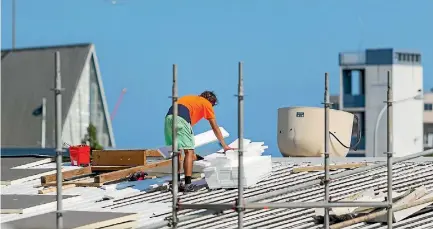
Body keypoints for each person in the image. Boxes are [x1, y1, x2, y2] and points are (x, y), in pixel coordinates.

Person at [164, 91, 234, 192]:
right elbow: (214, 127)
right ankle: (188, 184)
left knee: (176, 152)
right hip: (181, 119)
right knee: (189, 152)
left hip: (168, 119)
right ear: (211, 101)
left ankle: (177, 182)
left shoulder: (189, 98)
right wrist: (224, 145)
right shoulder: (206, 104)